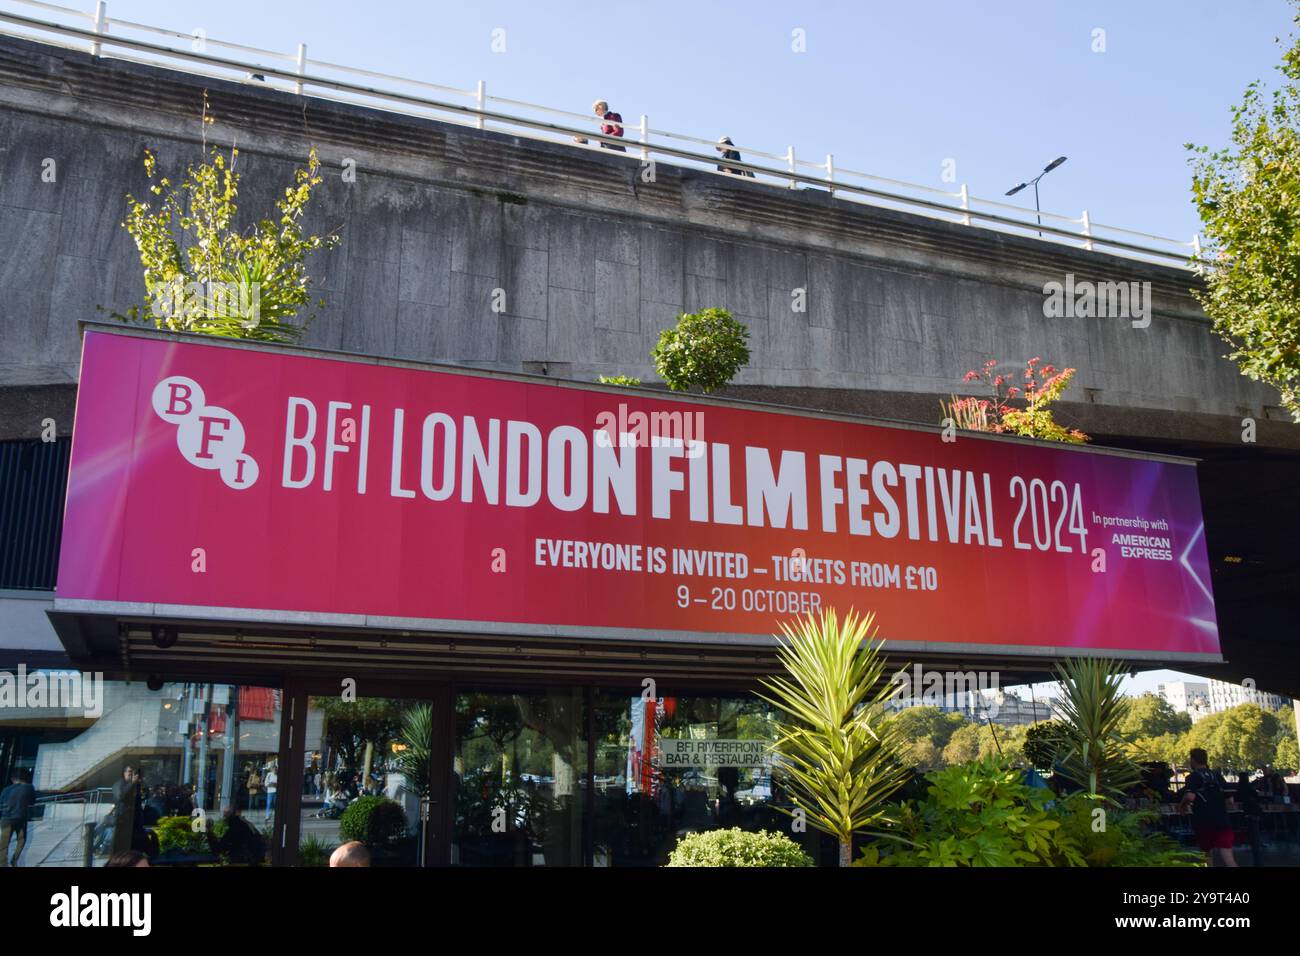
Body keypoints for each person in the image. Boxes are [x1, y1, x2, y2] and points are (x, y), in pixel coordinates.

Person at [1179, 748, 1237, 867]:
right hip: (1222, 820)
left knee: (1206, 853)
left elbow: (1190, 796)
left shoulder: (1193, 776)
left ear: (1193, 760)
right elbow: (1230, 800)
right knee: (1227, 856)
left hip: (1203, 821)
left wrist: (1182, 805)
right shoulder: (1217, 775)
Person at [0, 769, 37, 867]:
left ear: (13, 779)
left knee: (4, 844)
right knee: (21, 840)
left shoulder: (6, 789)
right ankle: (14, 859)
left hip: (6, 819)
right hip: (20, 819)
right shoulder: (29, 787)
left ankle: (3, 863)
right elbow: (32, 802)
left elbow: (1, 803)